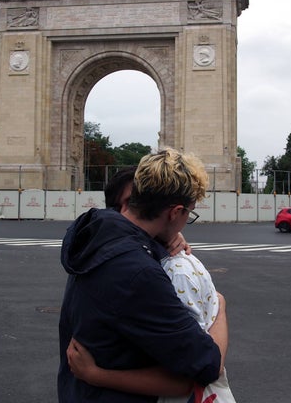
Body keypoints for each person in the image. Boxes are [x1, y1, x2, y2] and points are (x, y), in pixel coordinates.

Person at [58, 148, 228, 402]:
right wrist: (220, 306)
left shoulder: (96, 233)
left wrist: (165, 237)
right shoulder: (139, 274)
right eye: (188, 214)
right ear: (174, 212)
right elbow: (207, 364)